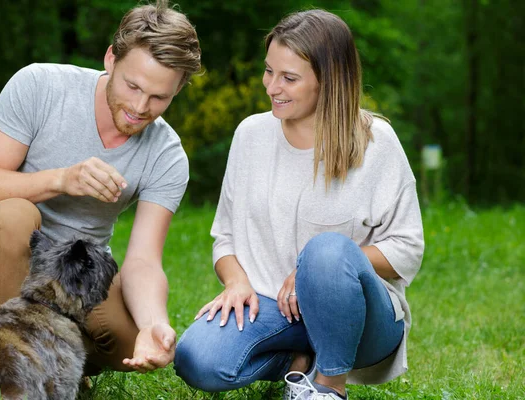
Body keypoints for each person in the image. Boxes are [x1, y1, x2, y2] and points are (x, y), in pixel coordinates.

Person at [174, 9, 424, 400]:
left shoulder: (378, 141)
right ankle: (299, 361)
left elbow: (407, 248)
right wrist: (237, 281)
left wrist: (319, 269)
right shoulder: (250, 136)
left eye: (289, 78)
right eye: (268, 71)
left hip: (363, 322)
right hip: (274, 310)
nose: (272, 86)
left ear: (329, 81)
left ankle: (327, 387)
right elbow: (224, 238)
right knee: (197, 359)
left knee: (325, 252)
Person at [0, 0, 201, 377]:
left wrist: (153, 322)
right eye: (132, 86)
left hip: (77, 277)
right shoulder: (41, 85)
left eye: (159, 98)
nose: (139, 106)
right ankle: (10, 371)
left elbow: (143, 260)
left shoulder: (167, 154)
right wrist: (60, 179)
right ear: (110, 60)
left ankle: (54, 356)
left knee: (128, 342)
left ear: (178, 89)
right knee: (15, 213)